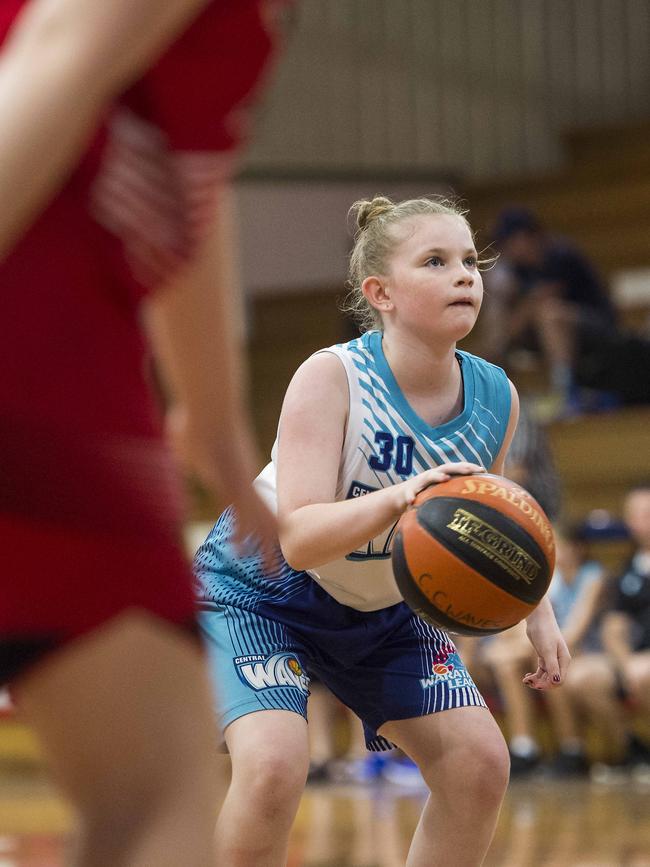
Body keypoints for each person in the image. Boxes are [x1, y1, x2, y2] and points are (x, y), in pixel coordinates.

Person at [195, 195, 570, 866]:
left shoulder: (496, 395)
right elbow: (302, 539)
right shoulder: (332, 375)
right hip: (260, 588)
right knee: (274, 769)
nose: (465, 276)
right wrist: (402, 498)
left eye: (470, 261)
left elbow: (496, 513)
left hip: (384, 604)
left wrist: (536, 610)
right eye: (436, 261)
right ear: (381, 293)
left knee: (479, 764)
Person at [0, 1, 285, 864]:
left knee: (156, 783)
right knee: (154, 794)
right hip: (37, 335)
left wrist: (218, 420)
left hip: (73, 351)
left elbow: (181, 155)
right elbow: (61, 50)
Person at [481, 206, 618, 414]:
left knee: (549, 314)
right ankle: (498, 397)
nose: (506, 251)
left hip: (595, 327)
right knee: (501, 317)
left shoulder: (560, 254)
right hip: (548, 332)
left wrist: (503, 339)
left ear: (526, 237)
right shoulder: (519, 269)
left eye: (509, 243)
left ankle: (565, 392)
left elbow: (538, 302)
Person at [601, 482, 650, 776]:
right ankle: (634, 749)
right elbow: (613, 626)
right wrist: (626, 662)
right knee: (582, 678)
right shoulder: (629, 568)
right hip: (639, 658)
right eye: (637, 514)